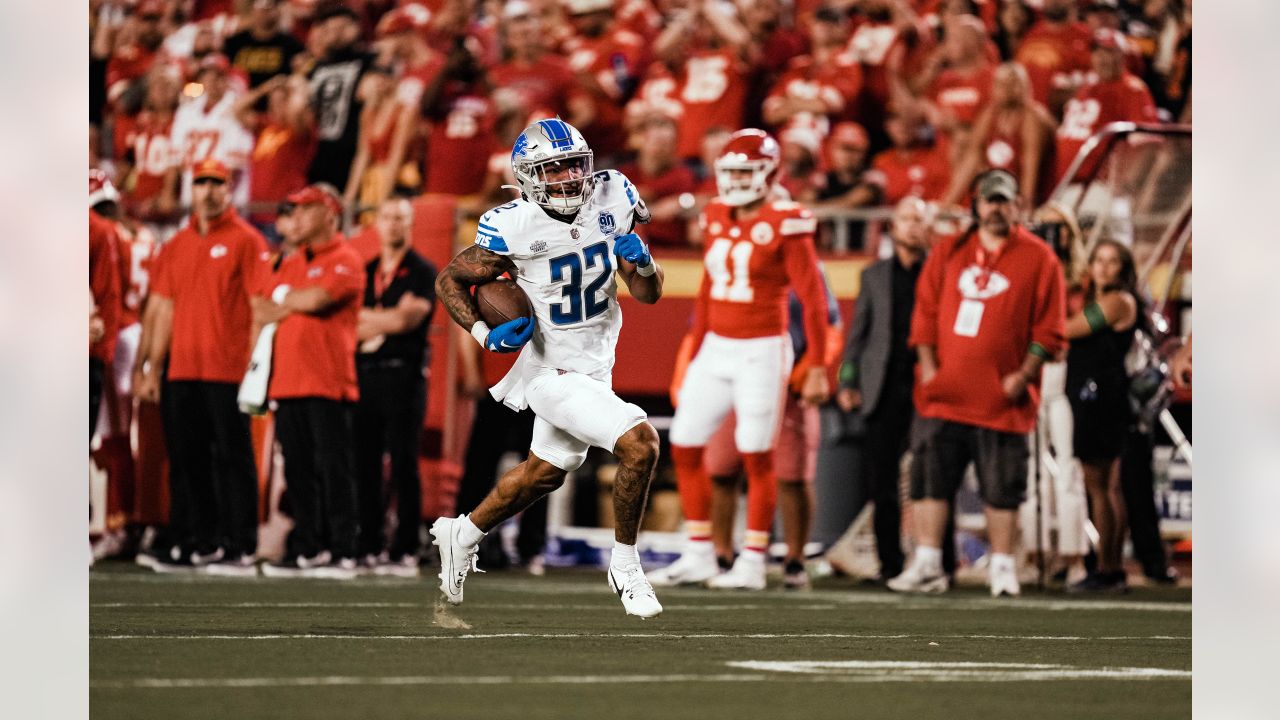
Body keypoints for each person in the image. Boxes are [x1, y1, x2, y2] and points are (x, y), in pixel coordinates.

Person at [431, 119, 666, 618]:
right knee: (640, 444)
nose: (566, 177)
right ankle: (625, 565)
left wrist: (643, 264)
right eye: (552, 168)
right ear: (528, 176)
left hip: (597, 365)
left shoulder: (615, 194)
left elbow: (647, 294)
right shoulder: (511, 224)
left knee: (546, 472)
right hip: (548, 371)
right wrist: (482, 332)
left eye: (574, 165)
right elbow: (450, 279)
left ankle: (463, 532)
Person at [655, 129, 831, 591]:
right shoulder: (715, 213)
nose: (733, 180)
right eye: (728, 171)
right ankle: (699, 553)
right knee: (687, 441)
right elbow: (709, 289)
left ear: (770, 172)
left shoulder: (787, 219)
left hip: (762, 348)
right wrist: (693, 352)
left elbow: (813, 300)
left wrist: (817, 365)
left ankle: (753, 560)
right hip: (717, 344)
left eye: (743, 171)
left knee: (757, 453)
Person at [889, 169, 1066, 597]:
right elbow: (925, 314)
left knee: (1002, 487)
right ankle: (928, 562)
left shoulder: (1040, 258)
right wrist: (929, 368)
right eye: (989, 200)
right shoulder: (949, 251)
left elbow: (1050, 331)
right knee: (930, 480)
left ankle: (1003, 567)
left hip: (1003, 399)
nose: (996, 209)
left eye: (1004, 201)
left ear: (1017, 206)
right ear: (976, 204)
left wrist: (1023, 375)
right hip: (943, 395)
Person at [133, 159, 267, 575]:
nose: (208, 191)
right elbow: (164, 309)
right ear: (191, 190)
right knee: (186, 459)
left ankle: (239, 544)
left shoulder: (248, 241)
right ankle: (194, 539)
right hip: (183, 369)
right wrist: (152, 367)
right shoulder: (176, 244)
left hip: (228, 371)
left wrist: (254, 367)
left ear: (228, 190)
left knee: (233, 458)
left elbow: (258, 307)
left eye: (216, 183)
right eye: (201, 183)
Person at [701, 281, 842, 590]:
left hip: (786, 378)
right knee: (721, 466)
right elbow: (703, 319)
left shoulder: (802, 263)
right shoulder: (730, 248)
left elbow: (830, 321)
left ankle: (794, 560)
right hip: (732, 373)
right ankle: (721, 555)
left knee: (791, 474)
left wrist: (814, 367)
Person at [255, 185, 366, 579]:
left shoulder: (347, 258)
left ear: (328, 214)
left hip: (327, 381)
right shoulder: (289, 261)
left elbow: (317, 300)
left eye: (305, 211)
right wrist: (291, 299)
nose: (295, 219)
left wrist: (286, 301)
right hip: (286, 381)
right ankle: (309, 546)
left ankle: (343, 550)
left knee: (333, 470)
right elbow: (260, 307)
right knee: (299, 472)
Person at [836, 196, 934, 584]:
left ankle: (937, 562)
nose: (912, 225)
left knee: (933, 478)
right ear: (893, 227)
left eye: (919, 219)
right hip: (882, 385)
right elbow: (858, 332)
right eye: (906, 218)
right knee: (883, 482)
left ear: (929, 228)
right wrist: (847, 379)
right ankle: (890, 564)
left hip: (929, 383)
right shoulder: (873, 274)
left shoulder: (941, 273)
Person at [353, 197, 437, 576]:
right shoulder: (365, 269)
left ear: (411, 224)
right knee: (365, 461)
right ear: (377, 223)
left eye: (400, 219)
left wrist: (374, 319)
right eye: (387, 217)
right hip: (366, 373)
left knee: (404, 462)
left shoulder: (422, 270)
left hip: (404, 375)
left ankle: (405, 544)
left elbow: (407, 320)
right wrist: (385, 318)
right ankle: (368, 540)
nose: (393, 225)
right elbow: (351, 325)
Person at [1064, 239, 1139, 592]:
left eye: (1112, 262)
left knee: (1101, 487)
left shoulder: (1117, 301)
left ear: (1123, 269)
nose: (1104, 268)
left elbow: (1068, 329)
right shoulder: (1097, 299)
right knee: (1103, 487)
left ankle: (1109, 568)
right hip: (1091, 398)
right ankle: (1110, 566)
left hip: (1103, 400)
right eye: (1099, 260)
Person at [942, 62, 1057, 209]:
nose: (1007, 89)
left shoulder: (1032, 117)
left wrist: (1025, 209)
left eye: (1013, 83)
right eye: (1002, 84)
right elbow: (972, 159)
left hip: (1036, 200)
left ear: (1025, 87)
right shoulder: (990, 114)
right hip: (998, 195)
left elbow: (1030, 170)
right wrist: (947, 203)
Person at [1054, 28, 1159, 185]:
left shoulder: (1132, 89)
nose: (1102, 58)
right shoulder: (1087, 86)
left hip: (1099, 187)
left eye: (1109, 52)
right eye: (1098, 52)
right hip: (1067, 184)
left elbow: (1146, 145)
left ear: (1122, 56)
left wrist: (1126, 185)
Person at [306, 3, 376, 191]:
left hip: (352, 152)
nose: (336, 34)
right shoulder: (315, 68)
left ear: (356, 28)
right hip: (317, 155)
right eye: (330, 29)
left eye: (342, 28)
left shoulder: (369, 62)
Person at [222, 0, 304, 90]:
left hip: (275, 99)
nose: (264, 13)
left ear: (278, 11)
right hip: (237, 98)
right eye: (260, 7)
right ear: (252, 10)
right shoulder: (234, 43)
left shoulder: (292, 45)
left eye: (269, 7)